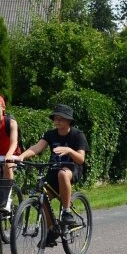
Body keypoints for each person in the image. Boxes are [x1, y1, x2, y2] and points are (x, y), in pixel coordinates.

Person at [15, 104, 88, 246]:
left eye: (61, 118)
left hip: (72, 169)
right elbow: (36, 148)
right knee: (43, 199)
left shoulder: (77, 135)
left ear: (69, 121)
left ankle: (66, 211)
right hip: (54, 169)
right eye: (56, 118)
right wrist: (21, 157)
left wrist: (69, 150)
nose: (57, 121)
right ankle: (52, 229)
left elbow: (80, 159)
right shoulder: (50, 134)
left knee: (63, 174)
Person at [0, 94, 21, 180]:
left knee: (7, 165)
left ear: (3, 108)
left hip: (12, 154)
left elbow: (14, 142)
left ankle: (7, 191)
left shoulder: (11, 122)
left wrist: (8, 155)